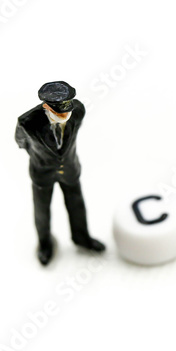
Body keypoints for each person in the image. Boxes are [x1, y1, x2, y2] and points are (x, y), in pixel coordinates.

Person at [15, 81, 105, 265]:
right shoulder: (27, 123)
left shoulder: (78, 111)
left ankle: (82, 238)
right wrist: (40, 158)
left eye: (67, 112)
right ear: (46, 107)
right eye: (59, 114)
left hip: (70, 169)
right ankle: (45, 244)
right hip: (42, 173)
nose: (65, 117)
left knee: (77, 205)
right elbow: (21, 143)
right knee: (42, 211)